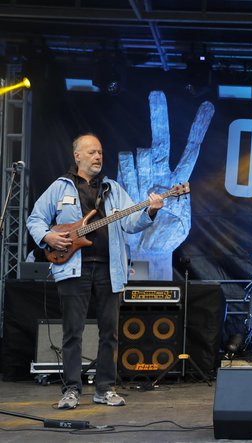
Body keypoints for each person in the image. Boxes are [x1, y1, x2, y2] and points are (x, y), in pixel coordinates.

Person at [27, 133, 163, 409]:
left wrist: (150, 212)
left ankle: (105, 388)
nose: (98, 156)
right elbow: (35, 219)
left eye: (100, 152)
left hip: (108, 269)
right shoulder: (60, 187)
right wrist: (49, 238)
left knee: (110, 332)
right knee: (72, 332)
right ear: (77, 156)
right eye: (92, 152)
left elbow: (131, 223)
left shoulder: (112, 188)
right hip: (72, 268)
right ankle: (71, 390)